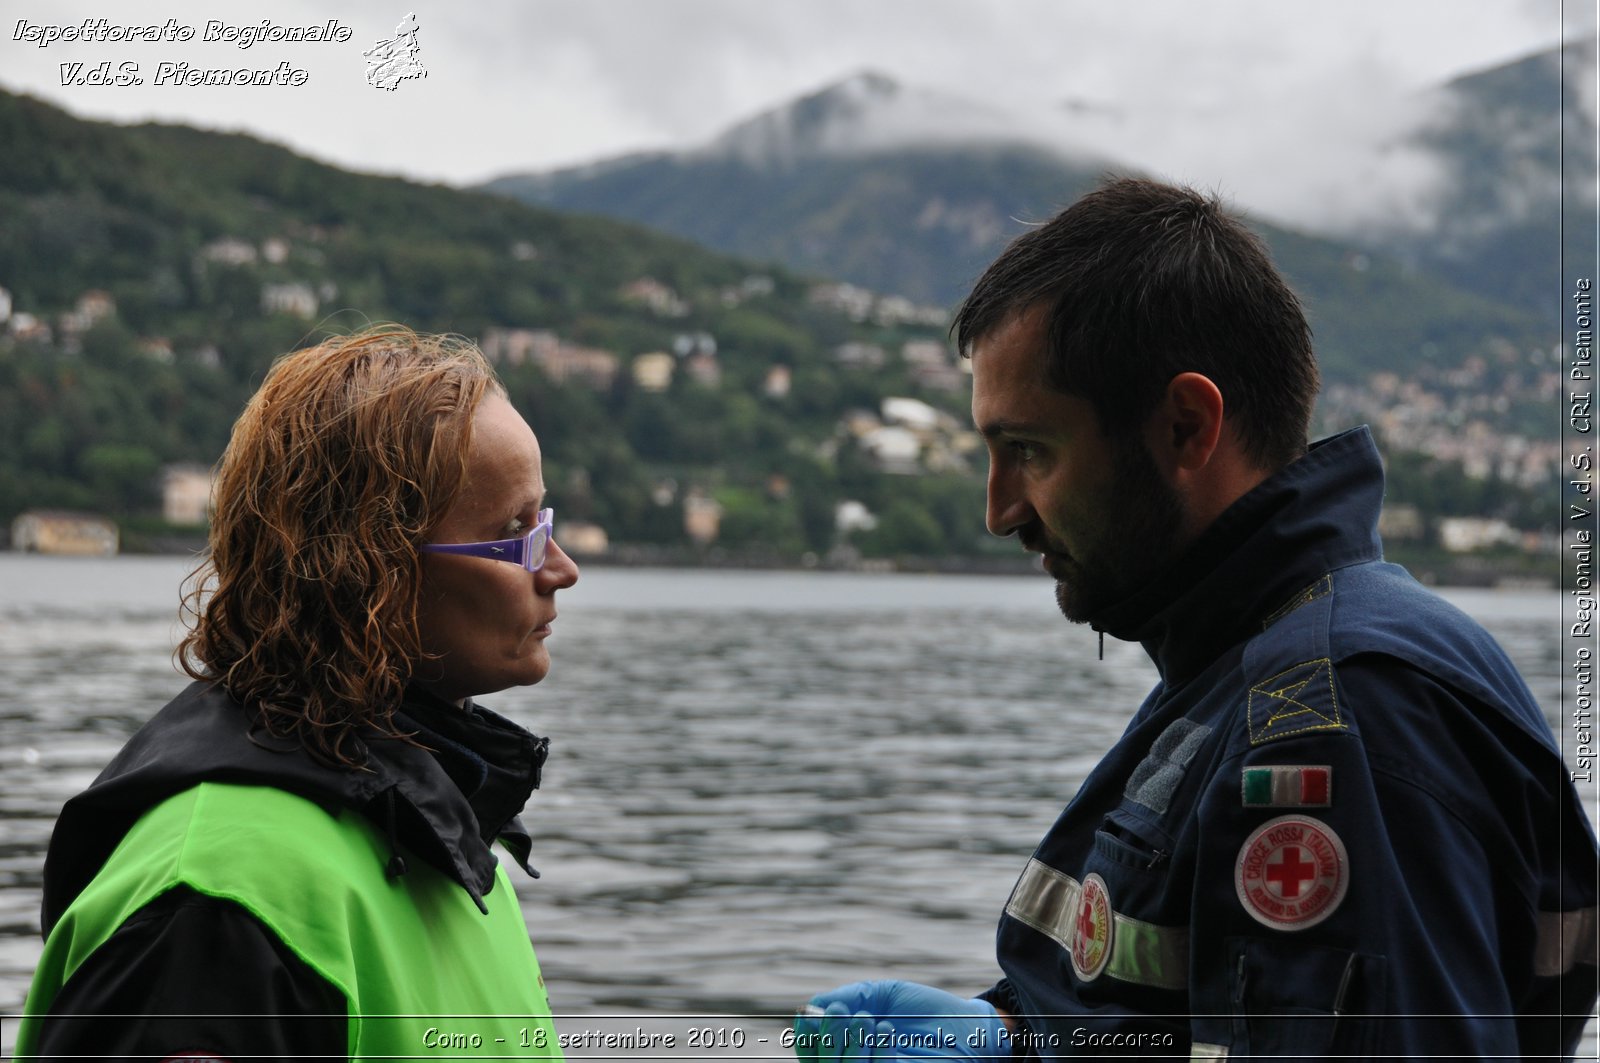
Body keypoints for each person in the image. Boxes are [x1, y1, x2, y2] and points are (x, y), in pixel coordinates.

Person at [795, 178, 1599, 1059]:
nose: (1000, 510)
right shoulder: (1250, 666)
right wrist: (1024, 1038)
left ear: (1186, 427)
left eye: (1029, 451)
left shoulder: (1331, 718)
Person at [17, 325, 580, 1058]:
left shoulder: (439, 832)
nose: (562, 567)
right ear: (370, 570)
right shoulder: (217, 902)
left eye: (544, 520)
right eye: (516, 531)